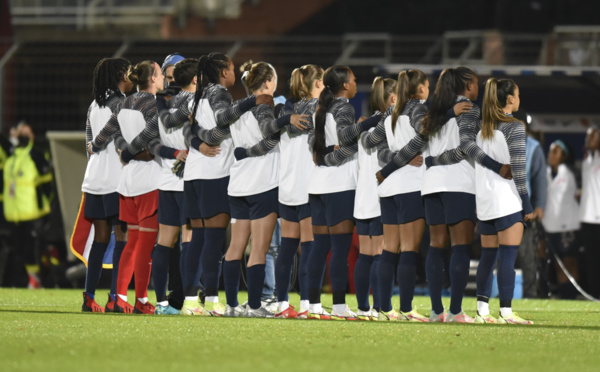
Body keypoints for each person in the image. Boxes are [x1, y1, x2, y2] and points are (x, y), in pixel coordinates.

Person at [418, 67, 511, 323]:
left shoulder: (434, 113)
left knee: (436, 247)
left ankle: (436, 311)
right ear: (467, 85)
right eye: (476, 83)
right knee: (460, 246)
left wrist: (433, 161)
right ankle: (456, 311)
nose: (478, 87)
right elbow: (466, 147)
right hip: (459, 183)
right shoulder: (469, 108)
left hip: (431, 185)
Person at [184, 53, 273, 316]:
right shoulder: (220, 92)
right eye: (232, 68)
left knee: (197, 239)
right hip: (215, 172)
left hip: (193, 174)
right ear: (223, 72)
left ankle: (190, 301)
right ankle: (211, 300)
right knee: (213, 240)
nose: (234, 73)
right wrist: (252, 101)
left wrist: (202, 137)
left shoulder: (199, 94)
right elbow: (223, 120)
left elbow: (199, 129)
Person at [226, 60, 308, 318]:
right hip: (263, 184)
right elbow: (267, 130)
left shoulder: (237, 108)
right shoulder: (267, 105)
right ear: (269, 81)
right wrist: (286, 119)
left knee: (236, 247)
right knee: (259, 249)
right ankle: (253, 306)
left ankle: (231, 305)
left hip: (238, 184)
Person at [90, 60, 165, 314]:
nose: (164, 77)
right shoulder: (152, 104)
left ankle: (119, 297)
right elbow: (155, 139)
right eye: (161, 73)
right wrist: (135, 151)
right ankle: (140, 300)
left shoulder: (123, 104)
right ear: (153, 77)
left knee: (132, 243)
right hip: (149, 181)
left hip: (126, 184)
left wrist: (124, 150)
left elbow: (102, 137)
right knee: (145, 246)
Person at [307, 65, 380, 320]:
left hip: (317, 186)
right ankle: (338, 306)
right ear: (345, 85)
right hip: (339, 186)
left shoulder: (321, 107)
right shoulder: (344, 106)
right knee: (339, 249)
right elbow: (346, 135)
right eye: (354, 79)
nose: (356, 82)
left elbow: (315, 149)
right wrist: (370, 123)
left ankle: (313, 305)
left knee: (319, 248)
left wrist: (328, 154)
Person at [473, 78, 534, 324]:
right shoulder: (515, 126)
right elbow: (519, 168)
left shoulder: (482, 128)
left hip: (485, 203)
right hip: (507, 201)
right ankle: (506, 313)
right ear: (510, 99)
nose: (519, 99)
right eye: (517, 95)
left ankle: (482, 312)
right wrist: (526, 202)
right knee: (507, 258)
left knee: (487, 258)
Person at [80, 57, 132, 312]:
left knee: (100, 239)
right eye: (129, 70)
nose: (132, 74)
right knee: (123, 237)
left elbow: (88, 143)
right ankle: (115, 297)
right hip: (115, 179)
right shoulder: (120, 103)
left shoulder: (93, 104)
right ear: (120, 75)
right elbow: (123, 140)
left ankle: (89, 297)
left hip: (94, 178)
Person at [353, 76, 395, 320]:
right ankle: (381, 308)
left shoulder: (364, 126)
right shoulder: (388, 126)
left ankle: (363, 308)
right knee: (381, 253)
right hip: (381, 195)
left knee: (366, 254)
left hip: (362, 197)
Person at [3, 121, 53, 289]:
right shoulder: (11, 157)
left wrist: (44, 206)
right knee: (19, 249)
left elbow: (48, 185)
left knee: (33, 247)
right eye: (20, 133)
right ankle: (27, 280)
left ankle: (38, 280)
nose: (23, 136)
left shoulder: (36, 155)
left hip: (33, 212)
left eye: (26, 132)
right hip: (14, 212)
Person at [542, 140, 580, 299]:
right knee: (554, 264)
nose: (551, 155)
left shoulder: (572, 173)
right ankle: (561, 295)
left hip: (567, 225)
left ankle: (571, 295)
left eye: (556, 151)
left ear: (563, 155)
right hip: (549, 225)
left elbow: (580, 195)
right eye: (550, 151)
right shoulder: (545, 173)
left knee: (568, 262)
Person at [517, 126, 547, 298]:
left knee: (527, 256)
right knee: (498, 254)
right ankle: (495, 295)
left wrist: (539, 206)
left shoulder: (533, 146)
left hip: (524, 209)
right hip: (499, 206)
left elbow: (539, 178)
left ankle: (529, 295)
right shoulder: (497, 138)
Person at [580, 127, 600, 298]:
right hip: (587, 218)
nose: (589, 139)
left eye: (593, 136)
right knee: (591, 261)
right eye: (587, 136)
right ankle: (595, 296)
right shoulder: (587, 160)